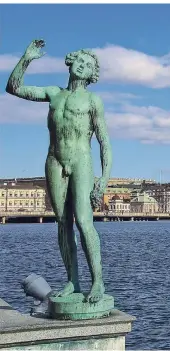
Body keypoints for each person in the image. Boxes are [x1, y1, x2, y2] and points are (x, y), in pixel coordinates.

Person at [6, 39, 112, 303]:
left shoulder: (93, 101)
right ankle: (73, 281)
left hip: (81, 162)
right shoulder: (54, 94)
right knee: (63, 224)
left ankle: (97, 281)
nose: (82, 65)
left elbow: (105, 144)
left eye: (88, 65)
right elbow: (13, 88)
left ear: (91, 75)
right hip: (54, 161)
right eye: (80, 60)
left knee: (85, 223)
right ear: (70, 62)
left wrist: (104, 180)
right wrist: (27, 58)